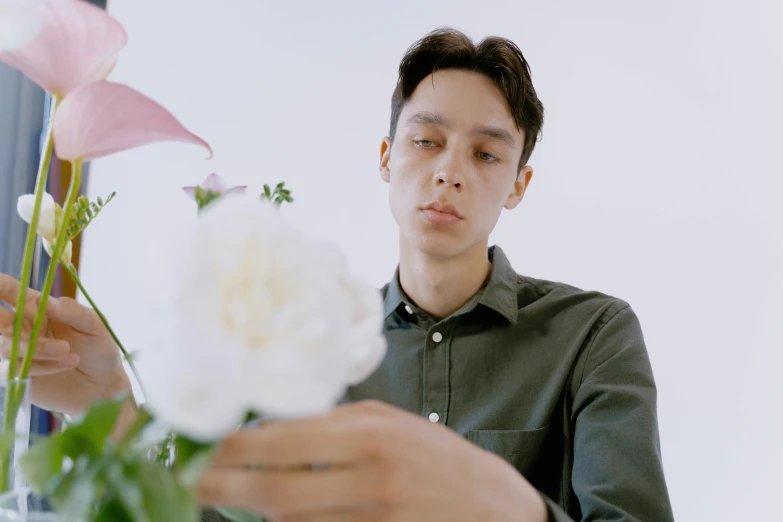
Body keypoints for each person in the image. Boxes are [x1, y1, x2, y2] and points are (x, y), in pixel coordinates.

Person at [0, 27, 675, 522]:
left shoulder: (592, 336)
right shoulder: (296, 343)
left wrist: (513, 509)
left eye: (486, 153)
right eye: (426, 140)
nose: (448, 170)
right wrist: (106, 402)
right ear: (386, 156)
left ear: (518, 184)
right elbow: (203, 511)